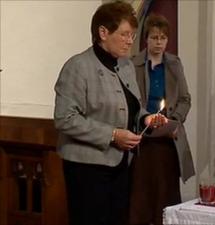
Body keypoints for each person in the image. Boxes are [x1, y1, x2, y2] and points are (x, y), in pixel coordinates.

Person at [54, 2, 165, 225]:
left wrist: (145, 118)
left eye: (132, 35)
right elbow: (65, 119)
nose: (130, 41)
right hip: (87, 169)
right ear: (103, 32)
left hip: (121, 165)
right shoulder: (78, 66)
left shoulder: (125, 65)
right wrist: (113, 135)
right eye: (124, 34)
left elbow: (131, 106)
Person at [129, 14, 195, 225]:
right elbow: (130, 101)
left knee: (166, 192)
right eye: (154, 37)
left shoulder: (174, 63)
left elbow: (185, 99)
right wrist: (146, 118)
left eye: (163, 38)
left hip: (168, 138)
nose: (159, 43)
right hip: (143, 137)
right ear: (146, 39)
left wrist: (173, 120)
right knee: (141, 193)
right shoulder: (133, 64)